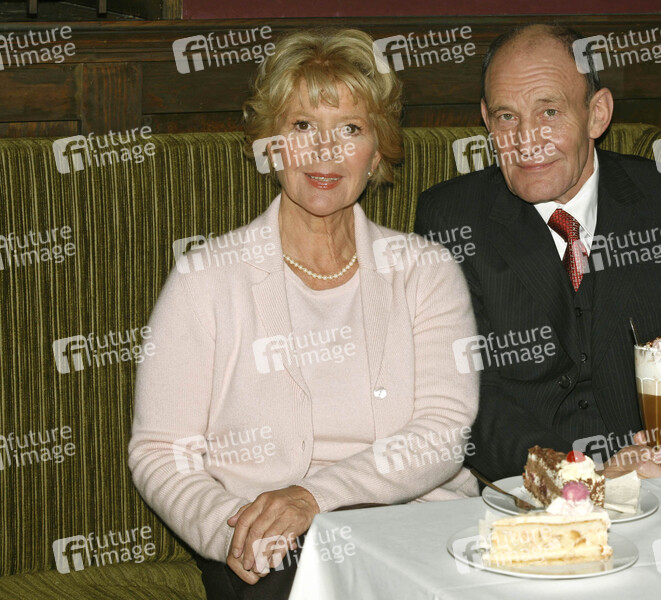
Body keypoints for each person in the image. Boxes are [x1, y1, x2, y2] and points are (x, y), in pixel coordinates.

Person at [128, 28, 478, 599]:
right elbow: (162, 451)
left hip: (413, 527)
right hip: (269, 546)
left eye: (350, 128)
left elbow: (442, 434)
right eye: (302, 127)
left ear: (377, 150)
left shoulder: (426, 270)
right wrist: (233, 530)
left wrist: (314, 497)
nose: (325, 151)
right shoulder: (204, 278)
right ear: (272, 146)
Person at [414, 24, 661, 483]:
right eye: (506, 117)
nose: (526, 141)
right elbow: (464, 396)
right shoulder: (451, 218)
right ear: (486, 119)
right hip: (532, 494)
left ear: (597, 114)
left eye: (550, 112)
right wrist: (580, 476)